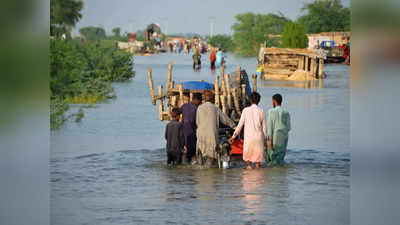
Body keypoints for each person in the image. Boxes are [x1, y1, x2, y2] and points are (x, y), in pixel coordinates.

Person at [196, 91, 236, 166]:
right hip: (211, 135)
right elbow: (225, 120)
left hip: (200, 135)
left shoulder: (199, 108)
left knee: (201, 160)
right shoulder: (215, 108)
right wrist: (234, 126)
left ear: (204, 98)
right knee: (211, 158)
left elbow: (197, 122)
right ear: (212, 98)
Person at [229, 92, 267, 169]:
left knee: (248, 164)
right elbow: (264, 129)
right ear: (259, 101)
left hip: (249, 139)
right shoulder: (261, 111)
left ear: (250, 100)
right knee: (257, 166)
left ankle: (248, 170)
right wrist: (265, 141)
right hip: (258, 139)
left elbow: (239, 126)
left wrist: (233, 137)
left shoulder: (245, 110)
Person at [266, 94, 291, 166]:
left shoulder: (271, 111)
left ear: (274, 101)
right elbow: (289, 128)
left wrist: (270, 141)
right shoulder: (286, 112)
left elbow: (270, 127)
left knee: (272, 157)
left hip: (275, 137)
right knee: (280, 158)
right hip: (284, 136)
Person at [181, 93, 202, 164]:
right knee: (192, 155)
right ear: (197, 100)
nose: (200, 103)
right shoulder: (197, 109)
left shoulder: (184, 106)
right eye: (200, 101)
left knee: (186, 155)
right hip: (192, 135)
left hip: (183, 135)